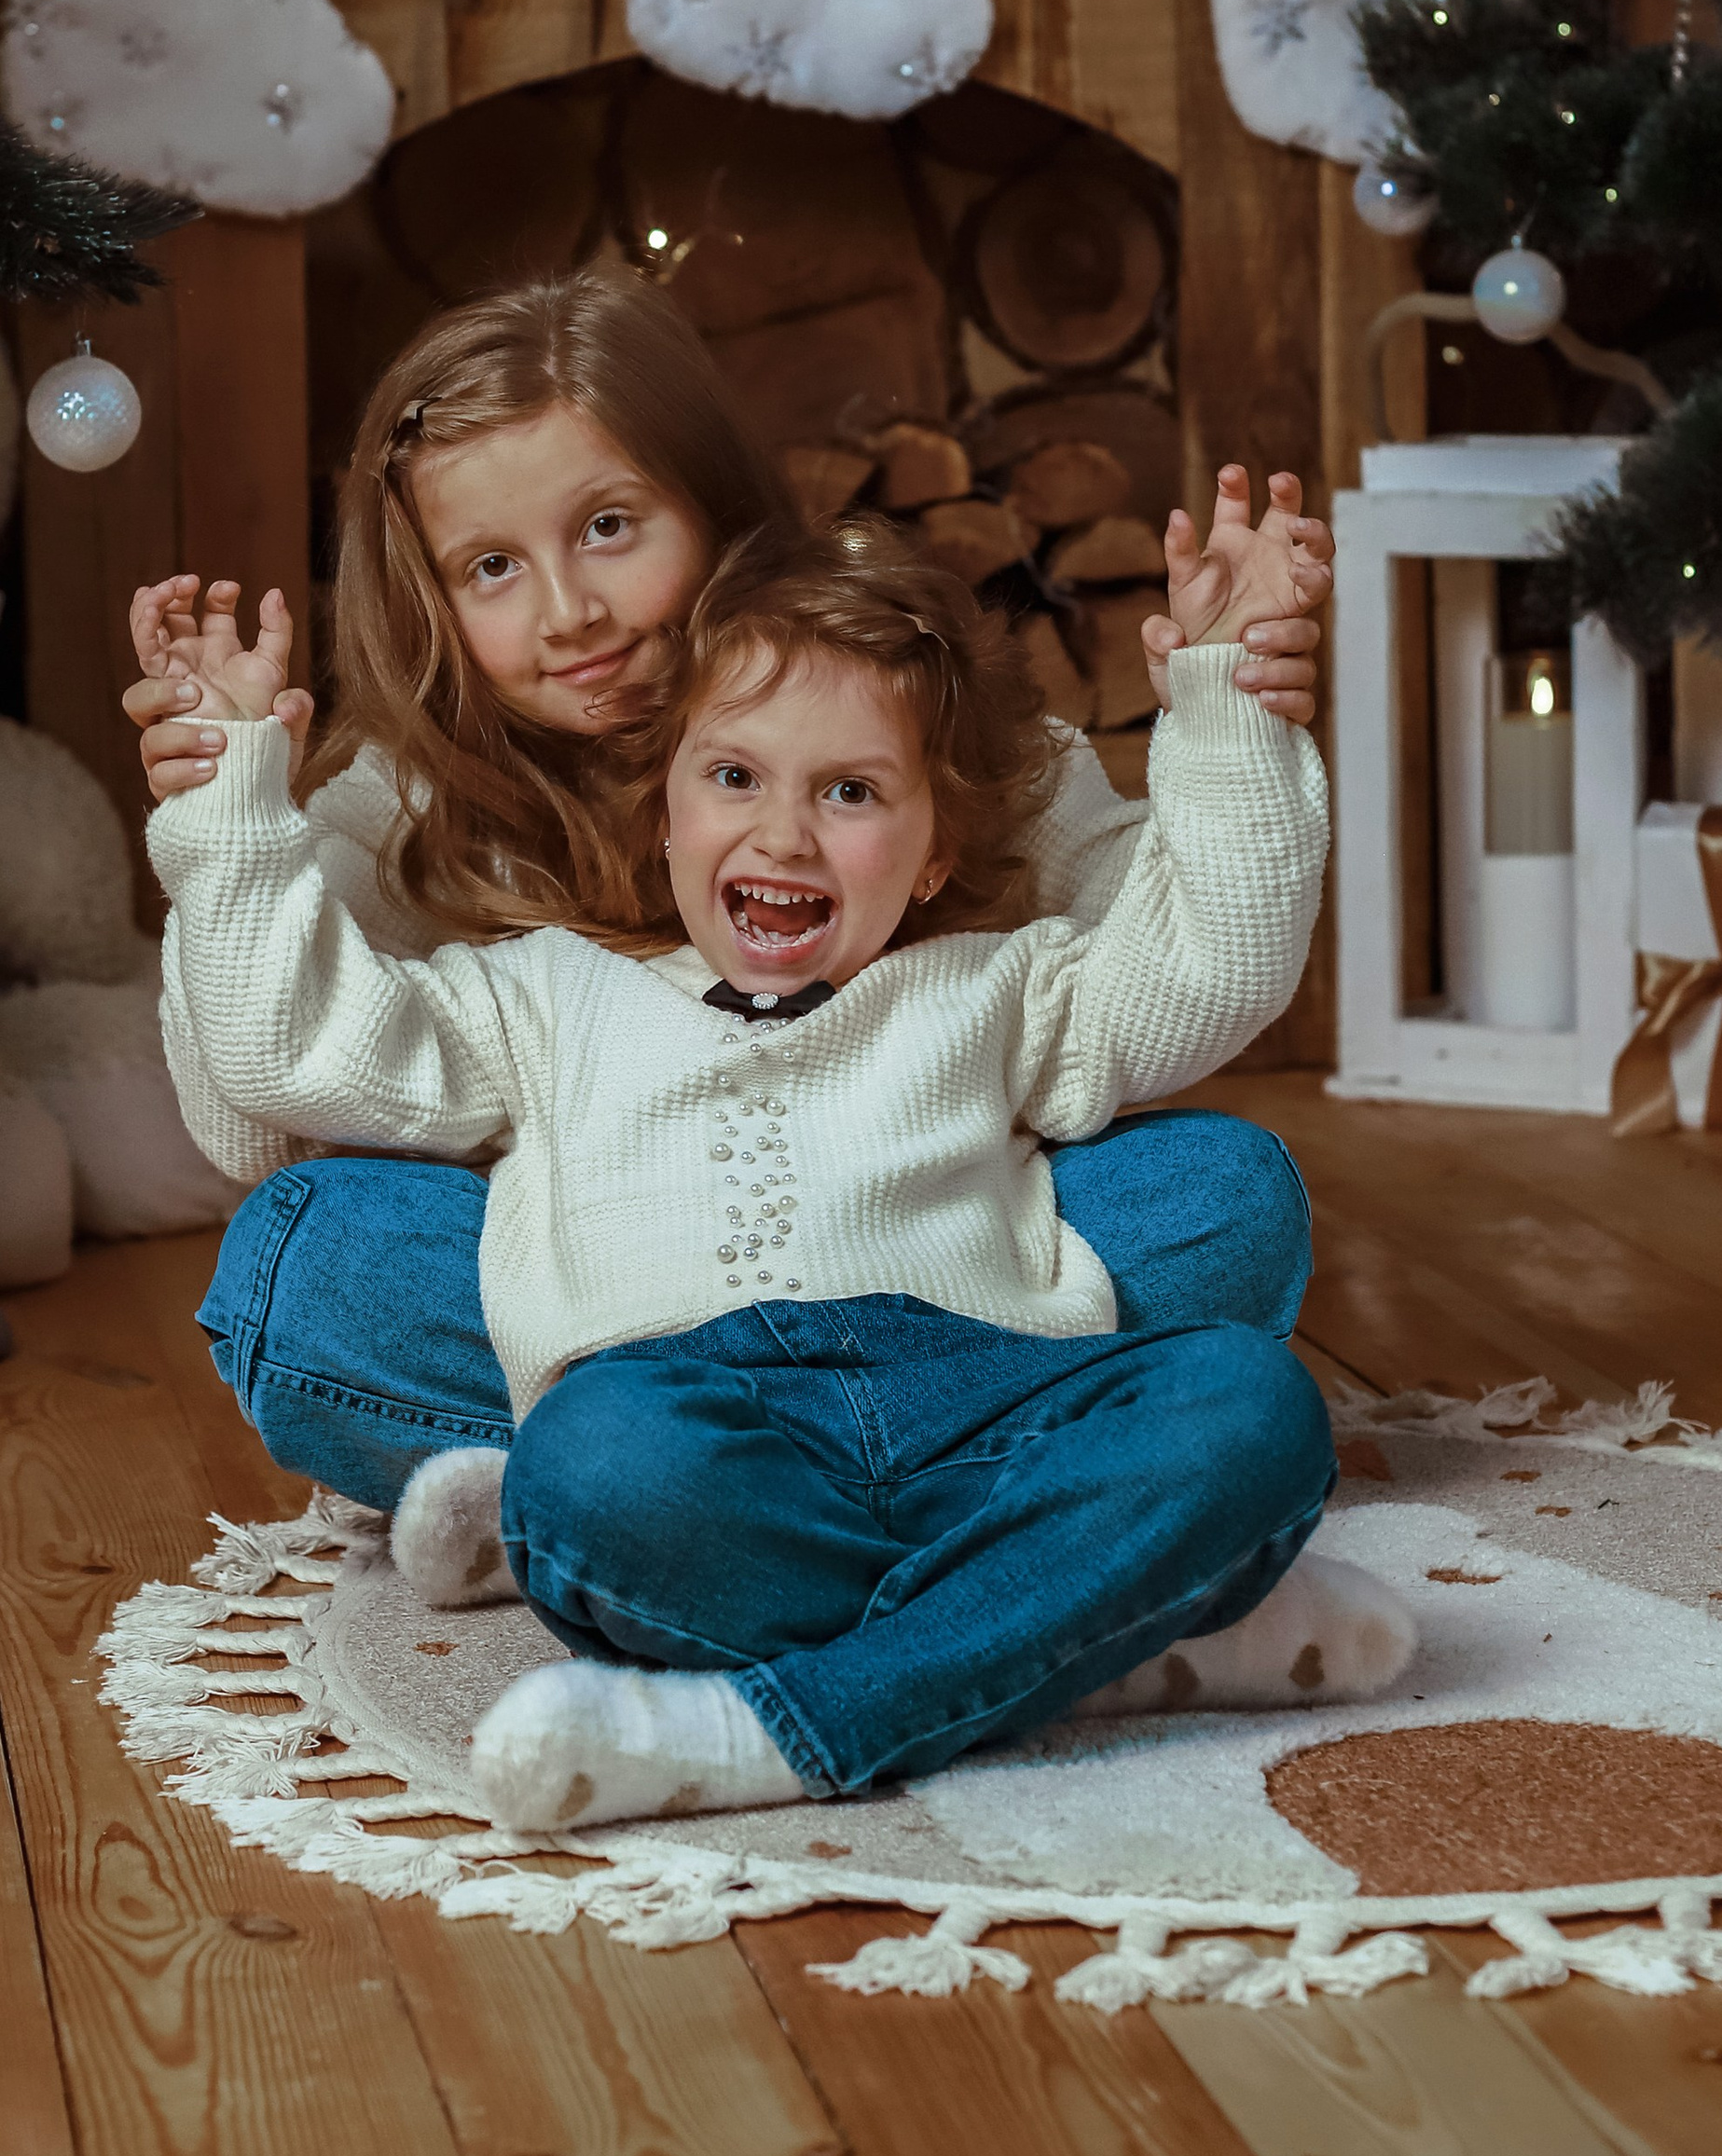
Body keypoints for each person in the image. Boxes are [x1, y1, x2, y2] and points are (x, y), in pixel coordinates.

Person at [147, 509, 1410, 1833]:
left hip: (986, 1400)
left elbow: (1212, 966)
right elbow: (293, 1044)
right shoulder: (538, 998)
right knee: (588, 1459)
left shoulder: (1001, 985)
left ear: (934, 849)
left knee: (1249, 1401)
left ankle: (788, 1723)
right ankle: (1088, 1636)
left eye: (850, 792)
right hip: (698, 1420)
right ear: (666, 808)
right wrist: (228, 803)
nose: (786, 834)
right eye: (735, 776)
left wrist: (1229, 707)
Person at [125, 268, 1335, 1516]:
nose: (570, 613)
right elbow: (260, 1121)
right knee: (305, 1256)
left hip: (923, 1269)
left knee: (1225, 1193)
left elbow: (1177, 958)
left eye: (609, 526)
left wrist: (1231, 712)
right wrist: (225, 822)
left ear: (713, 505)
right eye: (490, 565)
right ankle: (926, 1463)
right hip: (608, 1293)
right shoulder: (402, 814)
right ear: (429, 600)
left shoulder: (912, 718)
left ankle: (664, 1497)